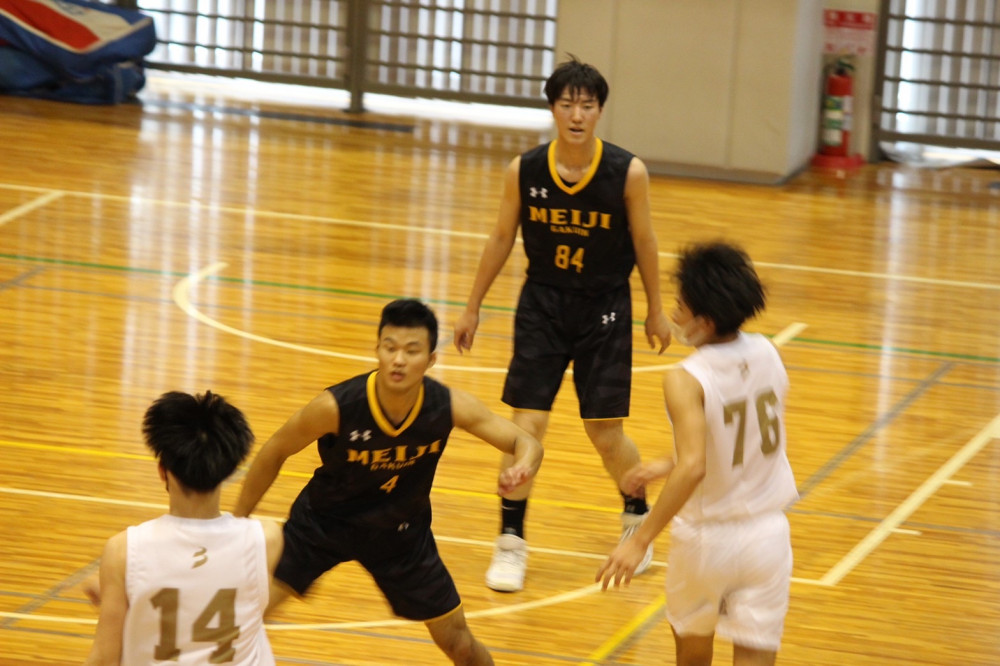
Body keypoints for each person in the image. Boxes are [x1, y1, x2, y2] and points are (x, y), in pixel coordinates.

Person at [452, 55, 672, 593]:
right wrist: (472, 305)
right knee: (525, 427)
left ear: (599, 112)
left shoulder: (627, 172)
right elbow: (501, 237)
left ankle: (636, 520)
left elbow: (645, 241)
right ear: (553, 109)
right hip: (543, 305)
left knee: (604, 432)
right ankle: (510, 542)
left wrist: (656, 307)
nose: (577, 115)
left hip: (605, 307)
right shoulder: (524, 170)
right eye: (568, 104)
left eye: (587, 105)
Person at [233, 298, 543, 666]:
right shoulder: (335, 406)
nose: (398, 360)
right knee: (241, 624)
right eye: (390, 347)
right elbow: (274, 452)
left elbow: (526, 442)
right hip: (322, 524)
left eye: (412, 351)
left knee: (460, 645)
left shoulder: (448, 405)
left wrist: (523, 465)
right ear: (377, 349)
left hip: (401, 534)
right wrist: (235, 523)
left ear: (431, 359)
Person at [596, 241, 799, 666]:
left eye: (680, 307)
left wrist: (640, 540)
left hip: (708, 542)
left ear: (704, 323)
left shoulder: (686, 377)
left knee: (692, 657)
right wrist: (664, 464)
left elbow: (694, 467)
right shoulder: (768, 352)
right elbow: (743, 440)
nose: (674, 315)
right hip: (769, 538)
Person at [85, 390, 283, 666]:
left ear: (162, 470)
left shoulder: (124, 551)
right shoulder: (267, 539)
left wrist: (117, 591)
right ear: (227, 471)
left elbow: (105, 659)